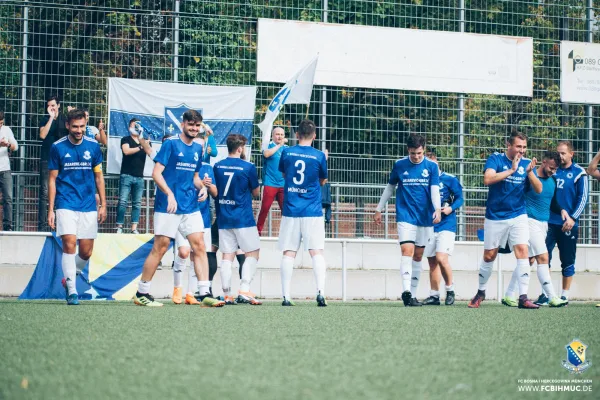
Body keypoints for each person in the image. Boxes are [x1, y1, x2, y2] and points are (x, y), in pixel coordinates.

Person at [133, 109, 224, 307]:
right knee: (160, 247)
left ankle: (203, 292)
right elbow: (157, 173)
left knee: (200, 245)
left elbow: (194, 177)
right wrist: (170, 194)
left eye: (197, 125)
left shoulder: (198, 149)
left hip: (190, 206)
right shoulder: (171, 144)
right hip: (168, 206)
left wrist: (202, 188)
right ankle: (142, 292)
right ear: (183, 124)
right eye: (190, 124)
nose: (193, 128)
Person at [468, 131, 542, 309]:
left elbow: (538, 189)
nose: (522, 151)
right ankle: (481, 292)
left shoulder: (526, 163)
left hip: (518, 215)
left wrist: (530, 173)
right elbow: (487, 179)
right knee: (489, 256)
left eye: (524, 147)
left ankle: (523, 297)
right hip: (495, 216)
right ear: (508, 145)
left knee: (523, 251)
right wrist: (511, 170)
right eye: (518, 146)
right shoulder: (495, 159)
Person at [47, 109, 107, 305]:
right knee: (70, 244)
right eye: (75, 127)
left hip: (88, 204)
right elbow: (52, 180)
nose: (79, 130)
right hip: (65, 202)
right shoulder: (57, 147)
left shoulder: (94, 146)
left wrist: (103, 204)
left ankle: (70, 276)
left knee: (86, 252)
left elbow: (99, 177)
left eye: (82, 126)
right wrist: (51, 209)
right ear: (67, 126)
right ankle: (72, 290)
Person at [374, 134, 441, 307]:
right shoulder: (399, 165)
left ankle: (412, 295)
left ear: (423, 149)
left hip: (424, 217)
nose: (416, 156)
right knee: (407, 251)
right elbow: (390, 187)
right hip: (405, 215)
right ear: (407, 150)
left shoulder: (432, 167)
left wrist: (438, 209)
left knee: (418, 256)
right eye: (412, 153)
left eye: (419, 153)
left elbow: (434, 190)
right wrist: (379, 208)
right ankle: (406, 291)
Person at [501, 151, 568, 308]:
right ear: (543, 162)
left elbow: (552, 203)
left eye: (556, 169)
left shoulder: (554, 180)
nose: (553, 171)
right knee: (543, 257)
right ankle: (551, 296)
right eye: (551, 167)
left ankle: (509, 295)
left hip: (543, 225)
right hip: (528, 221)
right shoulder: (528, 178)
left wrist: (562, 210)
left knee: (528, 261)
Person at [278, 119, 329, 307]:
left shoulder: (286, 152)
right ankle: (321, 292)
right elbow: (322, 181)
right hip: (312, 210)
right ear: (314, 136)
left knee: (288, 252)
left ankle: (286, 296)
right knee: (316, 252)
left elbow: (285, 175)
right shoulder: (319, 156)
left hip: (291, 209)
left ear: (297, 134)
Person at [537, 140, 588, 305]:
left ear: (571, 154)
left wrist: (573, 218)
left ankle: (564, 295)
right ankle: (548, 294)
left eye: (563, 153)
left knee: (567, 260)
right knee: (545, 258)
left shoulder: (579, 173)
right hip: (549, 222)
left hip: (568, 224)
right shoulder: (553, 171)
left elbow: (583, 198)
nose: (560, 156)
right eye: (558, 152)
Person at [214, 134, 262, 305]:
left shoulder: (217, 166)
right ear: (240, 148)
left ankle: (226, 293)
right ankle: (244, 289)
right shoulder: (248, 167)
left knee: (227, 255)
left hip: (224, 217)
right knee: (253, 252)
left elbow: (215, 189)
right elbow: (256, 192)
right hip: (243, 218)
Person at [172, 161, 217, 305]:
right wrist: (198, 183)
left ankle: (190, 293)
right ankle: (177, 287)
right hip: (182, 214)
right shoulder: (181, 164)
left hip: (202, 217)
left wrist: (207, 186)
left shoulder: (208, 168)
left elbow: (216, 193)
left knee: (197, 254)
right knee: (184, 252)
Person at [421, 152, 463, 306]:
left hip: (446, 225)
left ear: (437, 163)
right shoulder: (423, 181)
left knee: (441, 258)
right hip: (429, 225)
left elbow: (460, 198)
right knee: (432, 262)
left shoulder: (449, 179)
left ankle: (450, 289)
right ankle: (434, 295)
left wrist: (450, 208)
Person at [116, 118, 153, 234]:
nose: (136, 127)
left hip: (139, 177)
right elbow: (126, 151)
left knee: (137, 203)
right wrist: (141, 147)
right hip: (126, 175)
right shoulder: (125, 139)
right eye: (134, 125)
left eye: (138, 126)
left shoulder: (145, 141)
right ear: (129, 127)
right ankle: (119, 227)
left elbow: (151, 153)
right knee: (122, 201)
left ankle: (134, 228)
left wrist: (144, 143)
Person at [39, 95, 68, 231]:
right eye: (49, 105)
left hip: (62, 161)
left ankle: (60, 224)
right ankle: (43, 225)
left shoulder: (65, 119)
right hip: (47, 159)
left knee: (61, 191)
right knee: (45, 192)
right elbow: (42, 135)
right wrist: (51, 117)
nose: (51, 107)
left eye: (53, 105)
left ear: (58, 105)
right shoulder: (45, 119)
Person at [256, 126, 287, 235]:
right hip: (270, 183)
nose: (280, 136)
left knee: (286, 210)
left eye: (282, 134)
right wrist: (279, 145)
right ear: (273, 135)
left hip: (283, 184)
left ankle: (286, 233)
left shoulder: (286, 148)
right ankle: (257, 231)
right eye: (277, 134)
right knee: (264, 208)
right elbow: (266, 154)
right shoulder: (268, 146)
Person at [0, 112, 18, 231]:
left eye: (1, 123)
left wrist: (9, 145)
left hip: (5, 168)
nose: (0, 126)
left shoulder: (6, 130)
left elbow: (15, 146)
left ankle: (8, 227)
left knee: (8, 198)